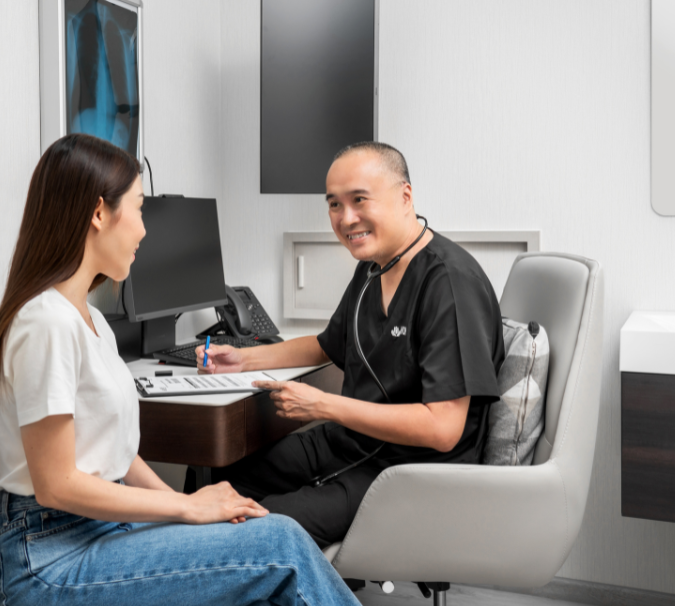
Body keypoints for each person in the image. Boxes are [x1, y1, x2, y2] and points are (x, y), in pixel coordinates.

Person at [0, 133, 361, 606]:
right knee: (280, 545)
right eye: (140, 209)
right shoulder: (46, 322)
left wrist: (190, 513)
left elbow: (113, 454)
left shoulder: (90, 319)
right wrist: (186, 505)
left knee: (256, 530)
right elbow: (58, 485)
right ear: (99, 213)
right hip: (51, 557)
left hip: (104, 531)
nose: (144, 230)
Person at [197, 141, 505, 548]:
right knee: (219, 481)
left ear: (405, 197)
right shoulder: (374, 268)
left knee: (256, 528)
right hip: (349, 444)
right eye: (334, 205)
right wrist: (242, 359)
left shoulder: (449, 282)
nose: (346, 218)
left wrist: (322, 405)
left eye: (359, 200)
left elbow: (443, 429)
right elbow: (326, 345)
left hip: (407, 471)